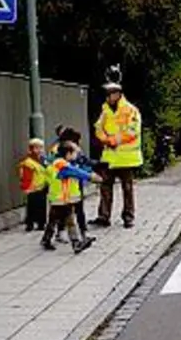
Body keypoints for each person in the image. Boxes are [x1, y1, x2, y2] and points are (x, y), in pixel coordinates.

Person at [92, 80, 143, 228]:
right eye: (106, 96)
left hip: (126, 158)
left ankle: (128, 217)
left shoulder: (130, 110)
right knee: (105, 187)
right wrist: (105, 139)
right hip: (110, 157)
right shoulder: (105, 110)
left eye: (109, 95)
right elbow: (98, 128)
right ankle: (103, 217)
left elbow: (133, 131)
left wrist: (113, 140)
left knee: (127, 188)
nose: (107, 98)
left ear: (117, 94)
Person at [43, 142, 101, 253]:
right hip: (63, 199)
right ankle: (76, 243)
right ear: (68, 154)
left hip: (57, 199)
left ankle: (47, 239)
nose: (77, 154)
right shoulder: (63, 166)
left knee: (53, 220)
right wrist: (91, 177)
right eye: (75, 152)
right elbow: (76, 172)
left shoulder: (56, 163)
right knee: (69, 221)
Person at [18, 138, 48, 232]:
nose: (40, 150)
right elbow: (25, 176)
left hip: (42, 186)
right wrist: (26, 187)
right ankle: (30, 224)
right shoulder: (28, 162)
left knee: (42, 206)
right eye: (37, 148)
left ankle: (41, 223)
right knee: (32, 206)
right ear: (31, 149)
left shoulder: (43, 160)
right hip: (32, 188)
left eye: (41, 148)